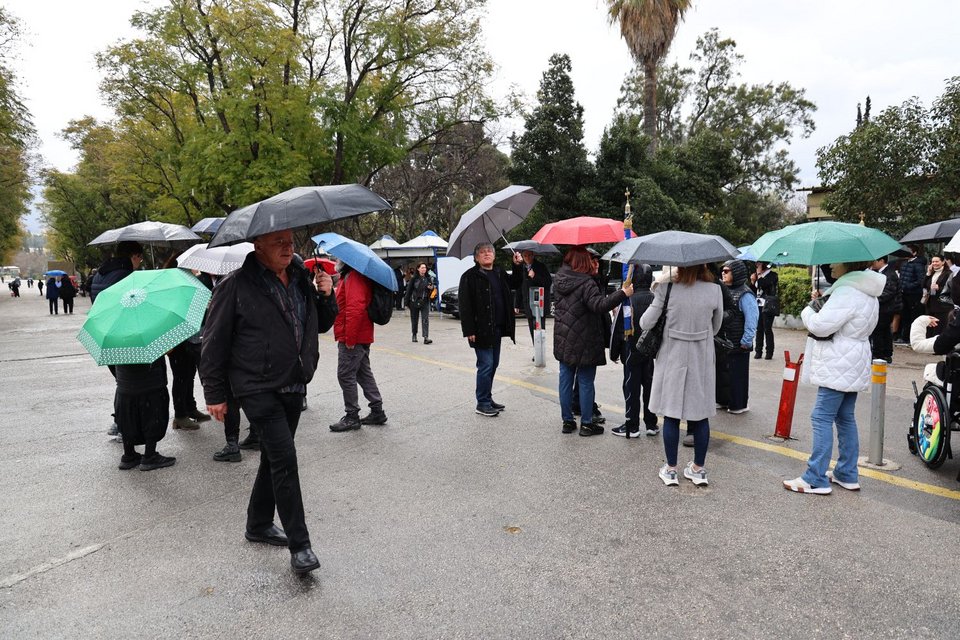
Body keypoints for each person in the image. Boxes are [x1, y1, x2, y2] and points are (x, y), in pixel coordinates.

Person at [200, 229, 337, 575]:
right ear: (257, 245)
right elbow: (213, 342)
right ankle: (301, 545)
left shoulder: (302, 277)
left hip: (293, 382)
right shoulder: (234, 286)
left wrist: (326, 295)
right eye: (279, 242)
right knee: (285, 459)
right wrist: (214, 393)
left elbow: (322, 324)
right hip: (256, 386)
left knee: (275, 458)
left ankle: (258, 523)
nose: (288, 247)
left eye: (290, 241)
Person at [783, 261, 884, 495]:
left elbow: (820, 326)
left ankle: (815, 477)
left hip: (839, 360)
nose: (831, 264)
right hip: (855, 357)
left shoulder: (847, 291)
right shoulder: (868, 291)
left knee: (821, 417)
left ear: (848, 263)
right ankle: (847, 472)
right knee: (845, 417)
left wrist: (809, 309)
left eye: (836, 261)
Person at [639, 263, 723, 487]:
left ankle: (671, 470)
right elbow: (715, 327)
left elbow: (645, 322)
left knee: (671, 414)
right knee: (701, 414)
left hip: (672, 358)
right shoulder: (714, 290)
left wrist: (657, 287)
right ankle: (698, 469)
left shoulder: (666, 289)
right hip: (701, 359)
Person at [553, 247, 631, 436]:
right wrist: (623, 293)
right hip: (585, 338)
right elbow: (599, 305)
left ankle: (567, 421)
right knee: (586, 381)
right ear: (582, 261)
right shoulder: (586, 282)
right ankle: (587, 424)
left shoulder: (559, 279)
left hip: (564, 337)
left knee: (565, 379)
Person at [91, 241, 144, 439]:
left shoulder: (101, 273)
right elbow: (132, 306)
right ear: (134, 256)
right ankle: (124, 426)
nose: (139, 263)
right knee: (130, 385)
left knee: (122, 382)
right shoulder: (125, 276)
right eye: (140, 258)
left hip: (106, 332)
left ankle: (118, 422)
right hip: (125, 334)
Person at [458, 242, 516, 417]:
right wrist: (469, 330)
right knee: (486, 365)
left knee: (494, 364)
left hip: (497, 327)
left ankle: (487, 398)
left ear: (494, 255)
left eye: (489, 251)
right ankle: (482, 402)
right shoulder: (469, 276)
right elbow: (465, 305)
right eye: (482, 252)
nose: (486, 254)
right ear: (476, 257)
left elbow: (515, 283)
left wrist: (517, 265)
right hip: (480, 329)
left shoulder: (499, 272)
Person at [329, 260, 388, 432]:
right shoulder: (350, 276)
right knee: (363, 373)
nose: (336, 262)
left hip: (354, 335)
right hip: (360, 334)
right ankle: (377, 410)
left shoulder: (353, 276)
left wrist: (350, 338)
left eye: (338, 259)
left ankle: (352, 416)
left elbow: (355, 308)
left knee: (345, 374)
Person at [609, 265, 657, 437]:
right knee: (650, 386)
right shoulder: (655, 299)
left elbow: (618, 329)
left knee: (631, 388)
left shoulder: (627, 301)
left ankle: (632, 425)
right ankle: (651, 424)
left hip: (630, 350)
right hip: (649, 351)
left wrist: (613, 353)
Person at [115, 357, 176, 471]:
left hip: (124, 385)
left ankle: (129, 455)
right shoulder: (151, 340)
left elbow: (112, 366)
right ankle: (150, 456)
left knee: (127, 421)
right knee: (153, 420)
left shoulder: (115, 342)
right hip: (150, 384)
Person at [719, 260, 758, 414]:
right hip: (723, 343)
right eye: (723, 270)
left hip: (738, 344)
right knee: (723, 375)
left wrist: (746, 342)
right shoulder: (723, 290)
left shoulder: (745, 294)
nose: (723, 273)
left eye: (727, 271)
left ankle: (738, 405)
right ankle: (723, 401)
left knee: (737, 377)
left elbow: (752, 319)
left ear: (736, 273)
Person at [510, 249, 552, 342]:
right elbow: (519, 287)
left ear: (533, 255)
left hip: (540, 303)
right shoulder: (522, 268)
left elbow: (548, 282)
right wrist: (516, 304)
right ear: (523, 257)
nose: (527, 258)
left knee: (540, 327)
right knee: (531, 327)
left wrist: (535, 276)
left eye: (529, 255)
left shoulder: (541, 266)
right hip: (528, 303)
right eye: (525, 256)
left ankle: (540, 350)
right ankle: (536, 350)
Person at [870, 255, 901, 363]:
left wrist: (874, 299)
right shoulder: (881, 273)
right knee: (884, 331)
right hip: (884, 307)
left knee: (878, 331)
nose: (872, 263)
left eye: (874, 261)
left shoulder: (890, 274)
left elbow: (889, 292)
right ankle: (886, 353)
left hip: (886, 308)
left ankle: (879, 354)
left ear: (881, 261)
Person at [897, 244, 926, 343]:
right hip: (904, 293)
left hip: (914, 294)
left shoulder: (918, 264)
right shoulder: (904, 263)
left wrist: (908, 286)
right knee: (905, 315)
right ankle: (904, 336)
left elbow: (921, 280)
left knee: (913, 316)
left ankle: (912, 338)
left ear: (914, 253)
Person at [404, 262, 435, 344]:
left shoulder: (428, 278)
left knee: (425, 319)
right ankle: (414, 335)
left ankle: (426, 337)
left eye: (425, 268)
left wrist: (431, 288)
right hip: (414, 301)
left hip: (425, 301)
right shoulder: (414, 278)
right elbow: (409, 291)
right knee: (414, 319)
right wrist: (406, 303)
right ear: (418, 269)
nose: (424, 269)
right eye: (422, 267)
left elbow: (431, 289)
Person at [922, 254, 952, 337]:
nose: (934, 263)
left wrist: (939, 288)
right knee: (929, 326)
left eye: (937, 261)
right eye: (933, 262)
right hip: (930, 304)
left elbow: (952, 288)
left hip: (942, 305)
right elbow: (923, 285)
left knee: (939, 328)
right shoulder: (931, 273)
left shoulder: (948, 273)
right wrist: (928, 273)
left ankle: (937, 347)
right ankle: (929, 346)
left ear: (943, 262)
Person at [754, 262, 778, 360]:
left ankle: (769, 352)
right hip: (758, 305)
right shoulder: (757, 275)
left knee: (767, 329)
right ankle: (758, 351)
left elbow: (763, 284)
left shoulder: (773, 275)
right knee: (759, 329)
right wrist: (753, 280)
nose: (757, 265)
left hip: (768, 305)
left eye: (759, 264)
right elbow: (754, 288)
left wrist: (759, 275)